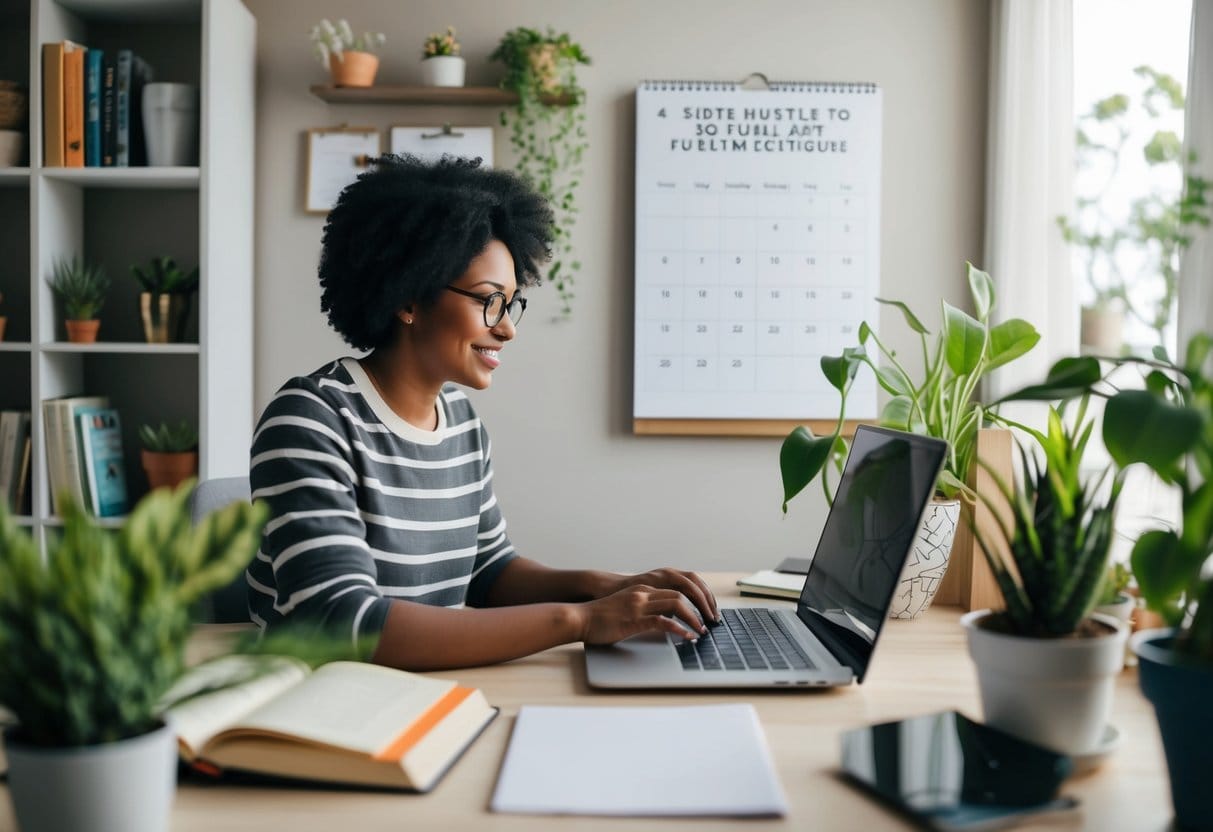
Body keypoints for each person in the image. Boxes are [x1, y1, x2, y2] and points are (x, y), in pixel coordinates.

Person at [249, 155, 718, 670]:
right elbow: (343, 622)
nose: (507, 328)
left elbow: (488, 572)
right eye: (489, 301)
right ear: (409, 296)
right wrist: (579, 621)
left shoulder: (460, 421)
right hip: (317, 712)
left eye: (511, 304)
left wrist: (607, 587)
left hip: (426, 696)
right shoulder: (311, 419)